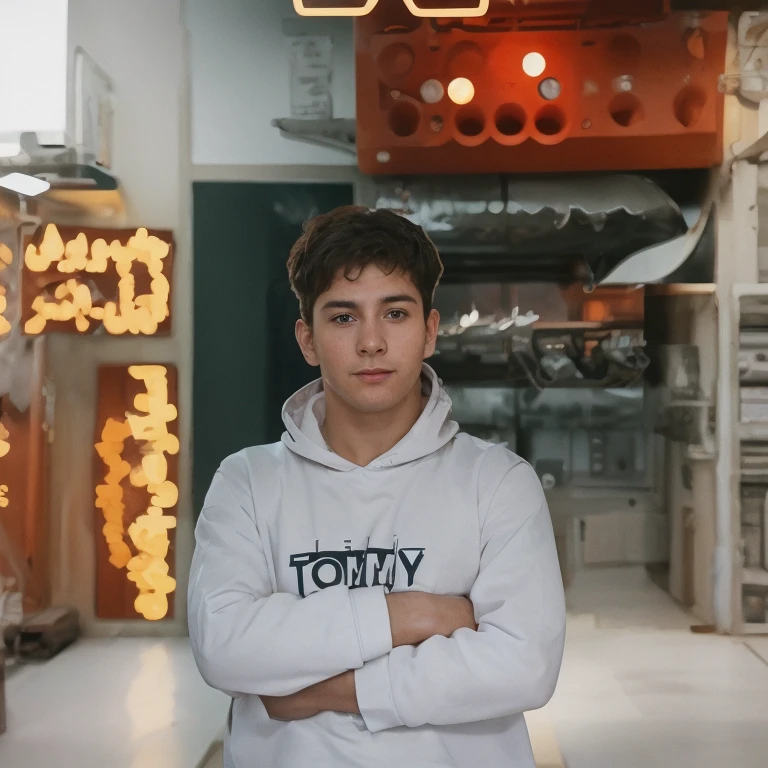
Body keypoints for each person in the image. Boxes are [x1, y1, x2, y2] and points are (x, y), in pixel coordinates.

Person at [188, 205, 566, 768]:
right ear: (308, 340)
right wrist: (412, 615)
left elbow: (524, 666)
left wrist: (323, 688)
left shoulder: (496, 482)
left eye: (394, 313)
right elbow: (225, 647)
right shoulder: (247, 482)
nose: (371, 341)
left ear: (430, 330)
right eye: (343, 317)